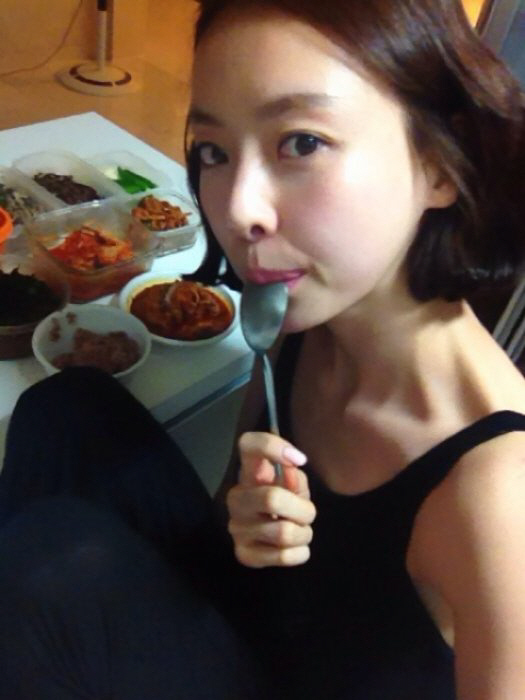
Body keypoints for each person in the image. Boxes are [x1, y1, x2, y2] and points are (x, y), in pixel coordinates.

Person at [1, 0, 525, 698]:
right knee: (67, 407)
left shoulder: (497, 498)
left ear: (440, 163)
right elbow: (229, 525)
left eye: (301, 142)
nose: (237, 208)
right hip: (247, 625)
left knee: (52, 562)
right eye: (214, 152)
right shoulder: (294, 323)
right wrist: (245, 521)